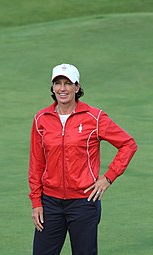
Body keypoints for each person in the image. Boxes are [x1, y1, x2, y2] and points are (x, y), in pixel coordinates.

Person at [28, 63, 137, 255]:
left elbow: (128, 144)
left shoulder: (94, 118)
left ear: (77, 87)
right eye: (58, 83)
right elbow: (36, 164)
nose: (63, 89)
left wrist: (108, 177)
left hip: (83, 202)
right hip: (50, 204)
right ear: (52, 88)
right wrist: (37, 202)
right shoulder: (41, 119)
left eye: (68, 83)